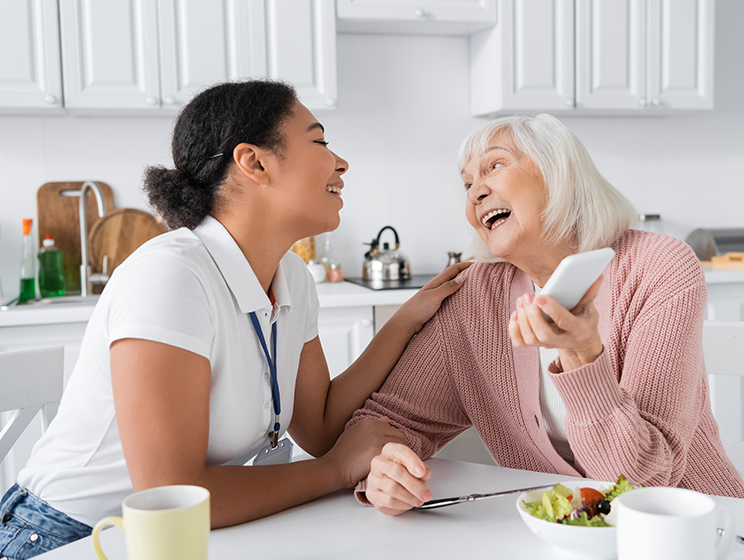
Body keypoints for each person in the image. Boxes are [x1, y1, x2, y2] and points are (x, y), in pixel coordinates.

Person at [0, 80, 470, 558]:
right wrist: (335, 470)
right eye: (320, 141)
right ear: (255, 162)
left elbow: (322, 424)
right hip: (65, 538)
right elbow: (171, 493)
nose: (340, 162)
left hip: (187, 538)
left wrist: (406, 319)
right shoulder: (171, 276)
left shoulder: (290, 275)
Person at [348, 114, 744, 515]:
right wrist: (384, 472)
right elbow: (387, 422)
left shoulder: (658, 266)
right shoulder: (474, 296)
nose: (475, 193)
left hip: (695, 530)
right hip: (560, 538)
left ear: (558, 174)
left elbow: (641, 483)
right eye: (467, 183)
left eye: (495, 165)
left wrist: (582, 356)